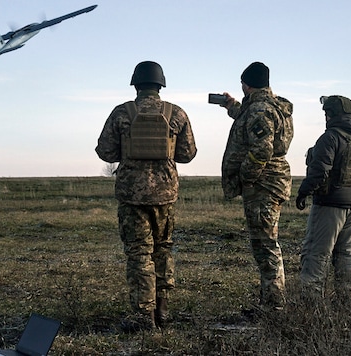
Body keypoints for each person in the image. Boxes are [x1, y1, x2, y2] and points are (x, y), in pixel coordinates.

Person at [95, 61, 197, 331]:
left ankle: (144, 315)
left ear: (136, 84)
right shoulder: (177, 114)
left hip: (131, 196)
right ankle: (162, 307)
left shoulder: (121, 113)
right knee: (163, 248)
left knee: (139, 253)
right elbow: (187, 154)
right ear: (160, 85)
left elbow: (105, 152)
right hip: (165, 195)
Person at [216, 62, 294, 311]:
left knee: (265, 245)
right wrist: (231, 106)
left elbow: (262, 147)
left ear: (246, 84)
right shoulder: (270, 106)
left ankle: (274, 306)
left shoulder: (260, 109)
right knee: (265, 242)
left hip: (263, 185)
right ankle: (270, 301)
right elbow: (249, 119)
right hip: (272, 181)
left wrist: (246, 176)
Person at [295, 95, 351, 303]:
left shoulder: (330, 137)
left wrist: (303, 192)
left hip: (329, 204)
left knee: (316, 252)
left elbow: (319, 172)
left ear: (330, 114)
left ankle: (311, 302)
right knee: (348, 254)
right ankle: (349, 300)